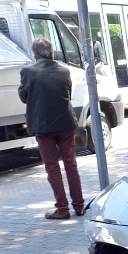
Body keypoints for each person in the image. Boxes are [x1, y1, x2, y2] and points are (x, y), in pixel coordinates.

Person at [18, 38, 85, 220]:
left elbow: (24, 97)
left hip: (43, 125)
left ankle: (62, 209)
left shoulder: (27, 72)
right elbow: (67, 94)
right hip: (65, 124)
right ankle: (79, 206)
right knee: (71, 164)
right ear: (51, 52)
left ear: (34, 53)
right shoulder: (64, 70)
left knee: (52, 167)